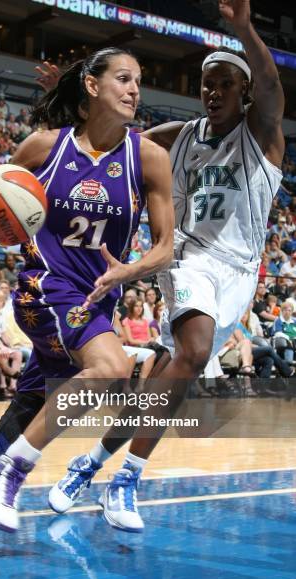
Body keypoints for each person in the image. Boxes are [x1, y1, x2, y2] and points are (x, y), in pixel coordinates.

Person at [0, 46, 174, 547]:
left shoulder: (147, 158)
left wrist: (131, 268)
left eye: (139, 81)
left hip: (96, 302)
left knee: (13, 428)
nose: (135, 90)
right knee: (108, 369)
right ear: (92, 86)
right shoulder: (44, 148)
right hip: (45, 289)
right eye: (124, 78)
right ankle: (11, 474)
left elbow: (166, 248)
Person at [49, 0, 286, 532]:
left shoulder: (263, 134)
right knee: (196, 349)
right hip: (185, 256)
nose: (214, 92)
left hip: (239, 274)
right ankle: (126, 480)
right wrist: (66, 112)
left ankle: (88, 465)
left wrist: (243, 29)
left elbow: (272, 84)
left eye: (226, 83)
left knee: (165, 378)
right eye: (208, 83)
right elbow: (109, 146)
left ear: (244, 92)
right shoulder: (178, 136)